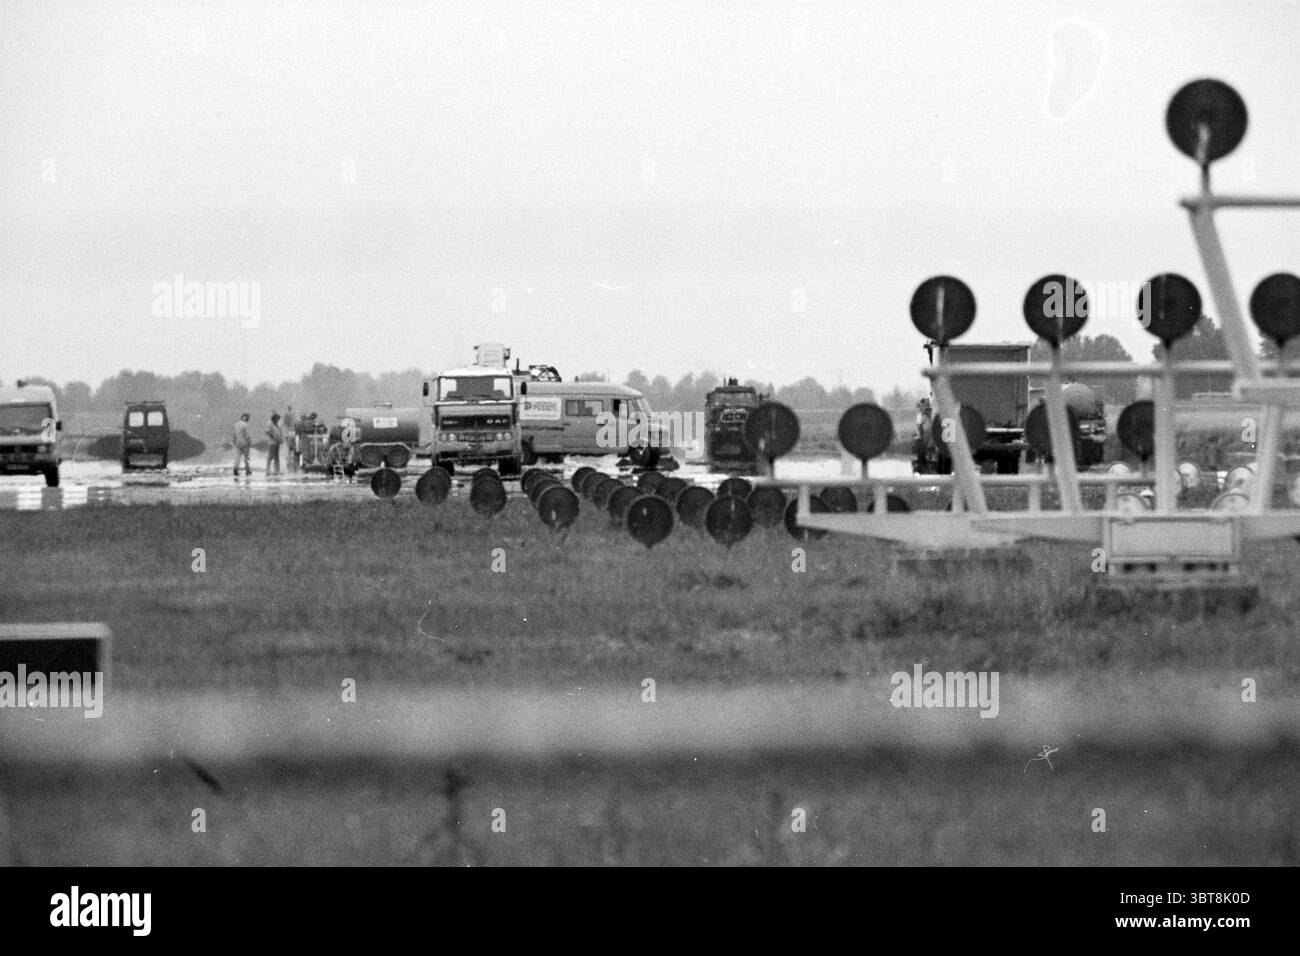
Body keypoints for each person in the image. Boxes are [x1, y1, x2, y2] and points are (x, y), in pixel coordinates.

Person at [232, 413, 252, 478]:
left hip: (237, 444)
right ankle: (247, 469)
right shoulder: (245, 425)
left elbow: (234, 434)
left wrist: (234, 441)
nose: (249, 419)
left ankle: (235, 469)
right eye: (248, 418)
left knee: (237, 457)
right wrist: (249, 442)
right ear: (246, 418)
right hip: (245, 444)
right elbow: (247, 435)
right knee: (247, 458)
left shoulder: (236, 424)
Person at [283, 406, 298, 473]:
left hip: (290, 432)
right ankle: (292, 462)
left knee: (290, 448)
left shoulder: (288, 415)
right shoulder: (292, 415)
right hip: (292, 433)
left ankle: (291, 462)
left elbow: (285, 422)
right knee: (293, 448)